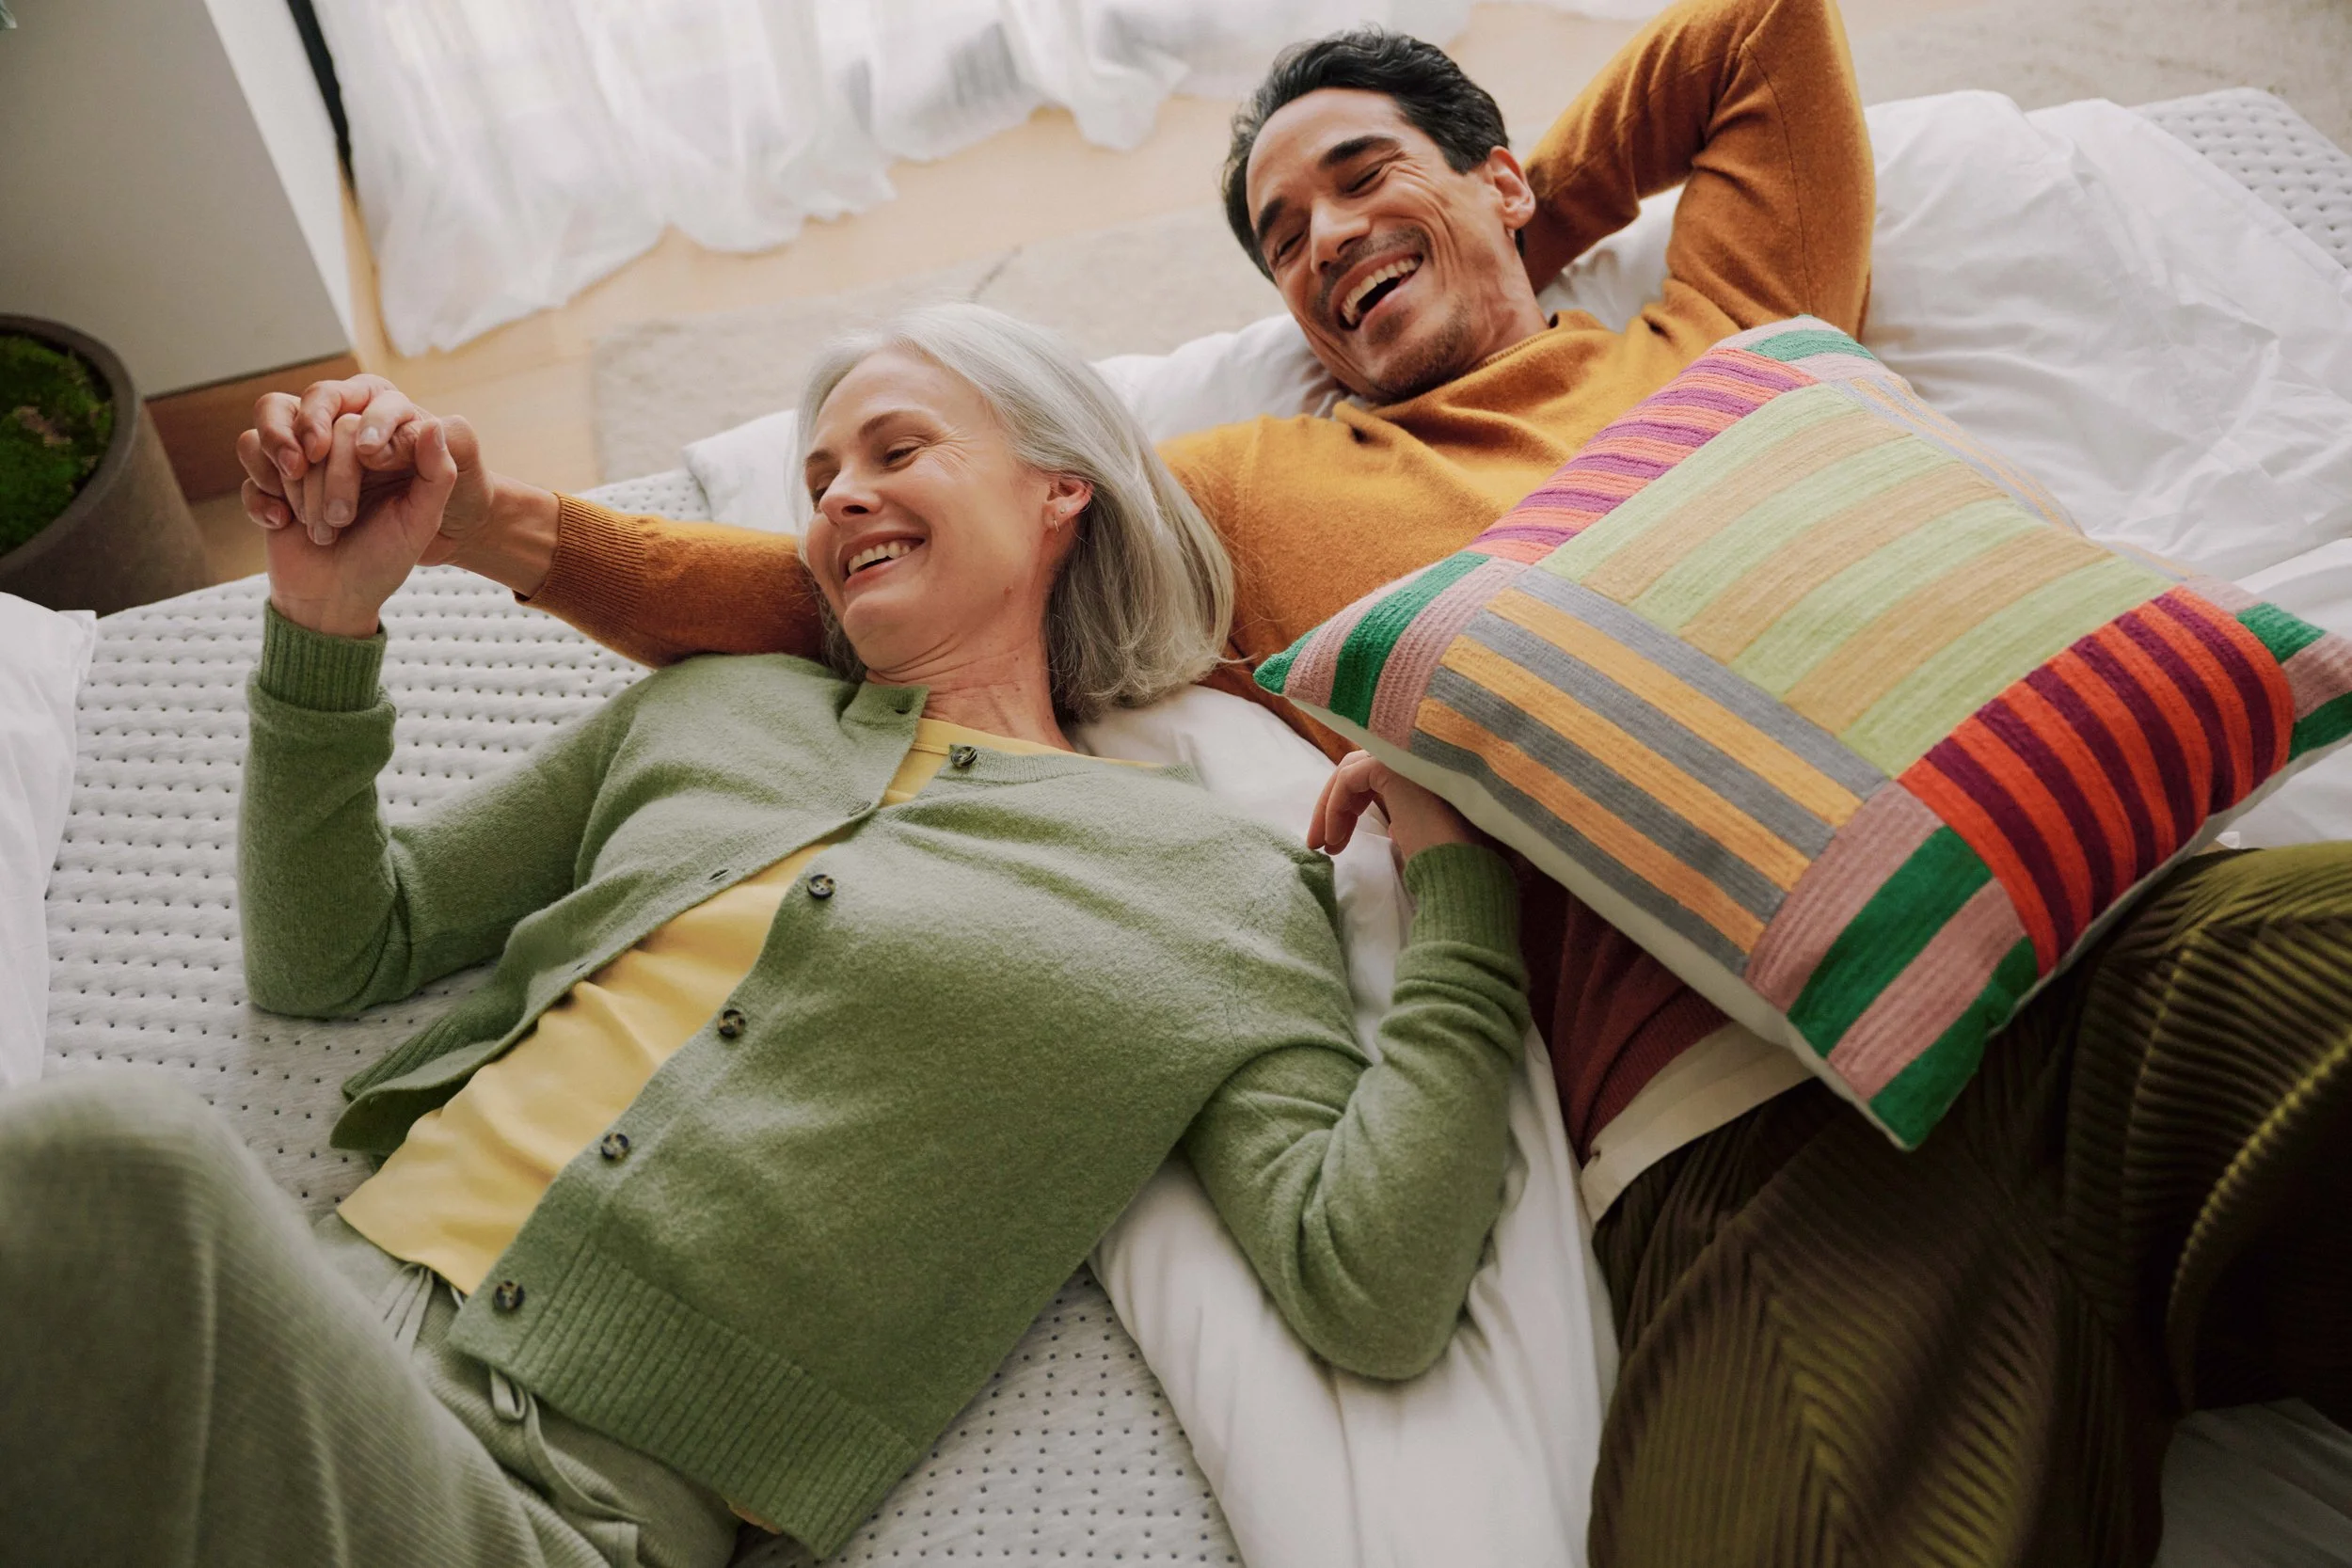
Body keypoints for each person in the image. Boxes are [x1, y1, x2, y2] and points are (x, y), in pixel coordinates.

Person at [237, 2, 2352, 1562]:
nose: (1319, 243)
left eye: (1358, 179)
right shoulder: (1249, 494)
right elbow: (856, 576)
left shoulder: (1717, 328)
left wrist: (1496, 217)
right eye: (1279, 240)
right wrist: (495, 529)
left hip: (2104, 947)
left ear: (1504, 175)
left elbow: (1756, 35)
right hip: (1741, 1135)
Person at [0, 304, 1534, 1567]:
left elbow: (1369, 1282)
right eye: (816, 478)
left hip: (545, 1496)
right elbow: (339, 949)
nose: (839, 497)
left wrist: (1457, 873)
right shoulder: (715, 705)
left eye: (897, 451)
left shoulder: (1212, 886)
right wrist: (323, 618)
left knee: (113, 1157)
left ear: (1061, 487)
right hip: (313, 1307)